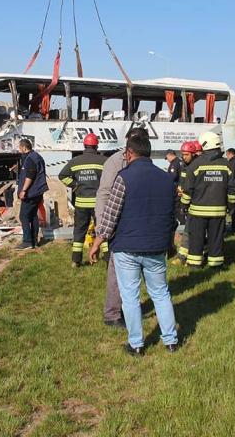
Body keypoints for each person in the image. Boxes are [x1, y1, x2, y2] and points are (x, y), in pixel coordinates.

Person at [89, 135, 179, 356]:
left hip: (127, 248)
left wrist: (97, 242)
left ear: (129, 153)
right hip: (156, 247)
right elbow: (170, 217)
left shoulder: (123, 178)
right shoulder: (167, 179)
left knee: (130, 296)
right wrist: (169, 243)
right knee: (161, 293)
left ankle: (136, 344)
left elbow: (110, 216)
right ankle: (171, 341)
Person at [94, 127, 149, 328]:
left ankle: (129, 308)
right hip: (117, 223)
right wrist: (103, 227)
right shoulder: (116, 162)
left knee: (133, 272)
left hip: (137, 223)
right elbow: (104, 194)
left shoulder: (143, 160)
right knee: (116, 272)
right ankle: (113, 314)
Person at [183, 132, 232, 268]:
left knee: (196, 239)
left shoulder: (195, 164)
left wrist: (184, 205)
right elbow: (232, 189)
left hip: (197, 212)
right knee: (216, 238)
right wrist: (231, 205)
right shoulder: (226, 165)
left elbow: (188, 188)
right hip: (218, 211)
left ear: (204, 144)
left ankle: (194, 265)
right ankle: (216, 264)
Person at [59, 133, 107, 266]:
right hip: (99, 203)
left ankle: (76, 260)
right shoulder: (103, 161)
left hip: (81, 203)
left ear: (84, 146)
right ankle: (108, 259)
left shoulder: (75, 161)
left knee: (79, 231)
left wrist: (75, 186)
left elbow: (62, 175)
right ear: (96, 145)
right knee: (103, 229)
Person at [17, 139, 48, 249]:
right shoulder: (37, 156)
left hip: (31, 192)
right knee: (33, 215)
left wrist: (24, 190)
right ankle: (34, 241)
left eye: (19, 147)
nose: (19, 150)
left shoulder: (30, 158)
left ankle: (27, 242)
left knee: (24, 216)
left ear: (24, 148)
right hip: (37, 192)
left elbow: (30, 175)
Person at [173, 141, 198, 265]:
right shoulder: (184, 166)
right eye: (183, 154)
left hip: (194, 203)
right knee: (189, 229)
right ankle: (183, 254)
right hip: (185, 201)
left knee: (190, 230)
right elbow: (182, 181)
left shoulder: (196, 166)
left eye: (187, 154)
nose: (184, 157)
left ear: (193, 154)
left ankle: (183, 256)